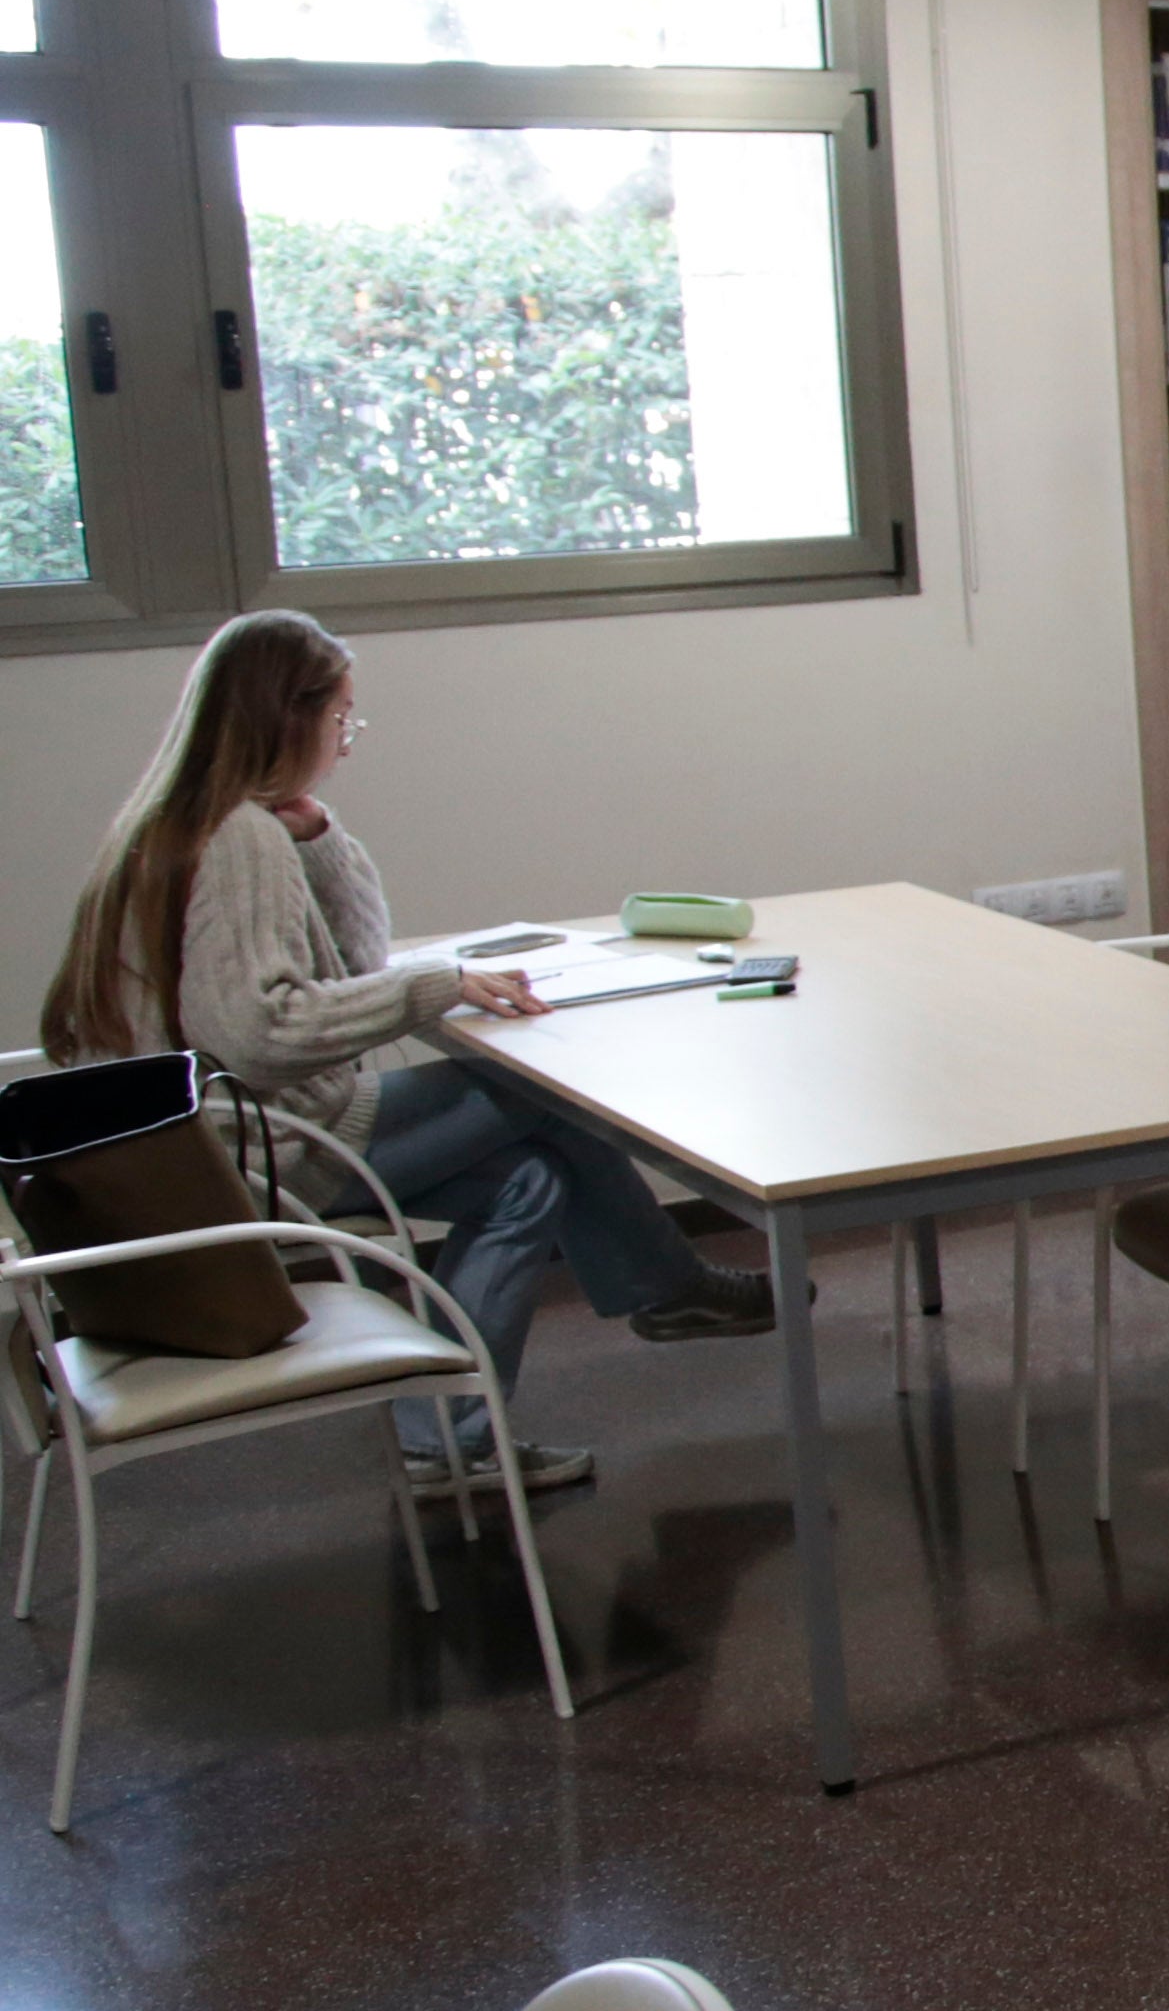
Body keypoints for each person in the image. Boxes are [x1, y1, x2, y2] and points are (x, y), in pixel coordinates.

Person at [35, 610, 777, 1498]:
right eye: (340, 719)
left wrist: (320, 840)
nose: (346, 744)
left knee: (529, 1180)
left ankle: (451, 1447)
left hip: (190, 1155)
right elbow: (258, 1032)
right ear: (287, 717)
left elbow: (352, 965)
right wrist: (437, 986)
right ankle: (670, 1283)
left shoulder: (177, 820)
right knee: (543, 1089)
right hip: (252, 1156)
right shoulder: (237, 837)